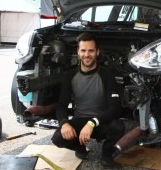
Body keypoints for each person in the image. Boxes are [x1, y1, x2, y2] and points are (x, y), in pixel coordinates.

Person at [51, 32, 125, 166]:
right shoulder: (70, 75)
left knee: (118, 127)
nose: (87, 55)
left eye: (91, 50)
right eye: (83, 50)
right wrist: (64, 123)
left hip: (101, 122)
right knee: (57, 138)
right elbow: (62, 105)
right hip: (80, 121)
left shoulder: (106, 75)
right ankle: (80, 148)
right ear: (78, 52)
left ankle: (107, 154)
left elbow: (115, 108)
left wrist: (92, 123)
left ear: (97, 52)